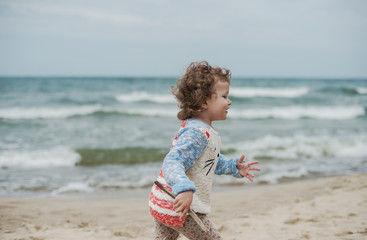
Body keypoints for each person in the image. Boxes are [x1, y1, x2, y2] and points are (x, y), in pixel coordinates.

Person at [149, 61, 260, 239]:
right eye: (224, 97)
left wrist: (234, 167)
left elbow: (207, 161)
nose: (229, 102)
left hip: (163, 200)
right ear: (204, 101)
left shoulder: (202, 130)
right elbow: (172, 161)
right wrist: (184, 189)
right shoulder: (196, 133)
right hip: (179, 203)